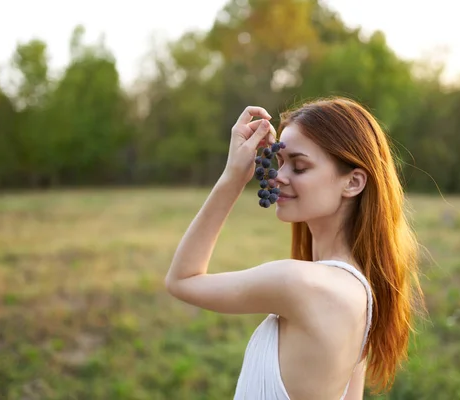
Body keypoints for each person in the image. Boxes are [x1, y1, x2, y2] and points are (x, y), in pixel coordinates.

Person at [165, 97, 424, 400]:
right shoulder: (361, 292)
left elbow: (182, 280)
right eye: (280, 162)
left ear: (353, 183)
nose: (278, 177)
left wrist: (232, 178)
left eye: (299, 167)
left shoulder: (299, 283)